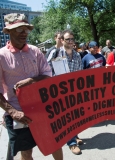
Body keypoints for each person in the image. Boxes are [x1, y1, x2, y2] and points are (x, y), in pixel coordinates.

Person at [0, 13, 63, 160]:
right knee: (26, 152)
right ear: (8, 31)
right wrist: (13, 112)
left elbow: (47, 75)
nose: (24, 34)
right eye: (19, 30)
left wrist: (32, 80)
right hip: (19, 113)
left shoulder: (35, 51)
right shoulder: (2, 56)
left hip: (43, 108)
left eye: (26, 30)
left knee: (55, 142)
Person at [57, 29, 83, 155]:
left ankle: (75, 135)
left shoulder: (77, 55)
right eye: (68, 39)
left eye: (72, 39)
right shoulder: (57, 54)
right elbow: (49, 73)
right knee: (68, 117)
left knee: (75, 116)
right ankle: (71, 143)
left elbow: (80, 73)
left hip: (75, 91)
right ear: (62, 40)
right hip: (62, 92)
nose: (71, 41)